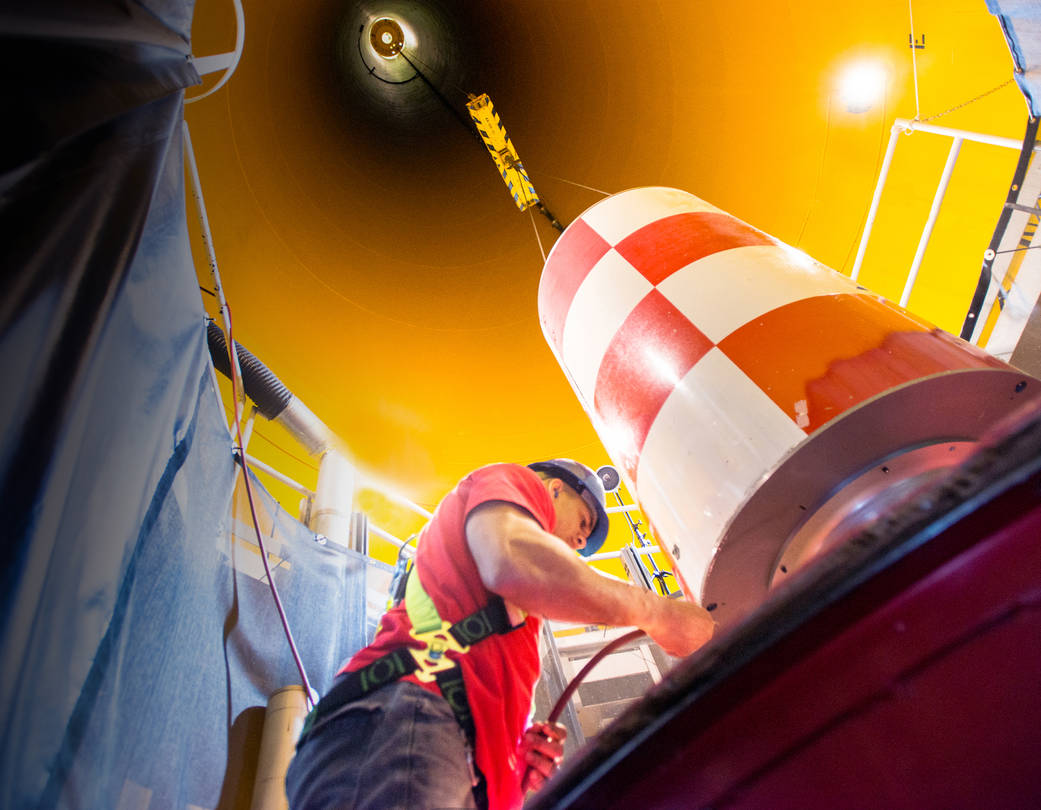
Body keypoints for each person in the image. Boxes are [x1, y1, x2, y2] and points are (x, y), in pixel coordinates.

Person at [286, 459, 715, 810]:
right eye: (584, 521)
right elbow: (513, 560)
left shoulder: (518, 623)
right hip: (405, 722)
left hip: (437, 751)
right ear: (553, 488)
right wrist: (659, 613)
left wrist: (511, 761)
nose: (582, 540)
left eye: (586, 541)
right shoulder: (513, 482)